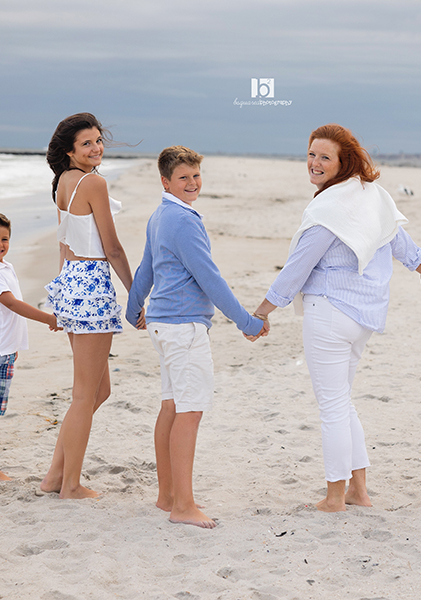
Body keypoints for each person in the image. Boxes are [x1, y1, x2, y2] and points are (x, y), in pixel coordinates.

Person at [252, 124, 421, 512]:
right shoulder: (371, 194)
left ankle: (334, 497)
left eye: (325, 157)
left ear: (343, 162)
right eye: (311, 154)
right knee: (342, 402)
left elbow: (297, 268)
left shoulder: (329, 209)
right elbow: (398, 239)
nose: (315, 163)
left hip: (330, 313)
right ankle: (358, 490)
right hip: (362, 317)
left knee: (332, 407)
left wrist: (262, 311)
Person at [126, 146, 267, 528]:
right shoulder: (184, 221)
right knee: (189, 411)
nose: (192, 183)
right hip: (183, 327)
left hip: (163, 324)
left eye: (196, 176)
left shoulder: (161, 215)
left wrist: (134, 308)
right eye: (183, 178)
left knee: (172, 407)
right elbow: (209, 278)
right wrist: (246, 322)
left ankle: (168, 495)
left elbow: (146, 269)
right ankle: (183, 506)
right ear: (165, 181)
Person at [41, 113, 143, 499]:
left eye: (98, 140)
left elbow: (63, 244)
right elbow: (112, 248)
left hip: (71, 282)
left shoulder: (63, 183)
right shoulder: (93, 183)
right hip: (92, 286)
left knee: (98, 391)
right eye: (86, 143)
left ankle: (54, 477)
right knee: (85, 395)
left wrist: (61, 294)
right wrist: (135, 295)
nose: (96, 148)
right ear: (69, 150)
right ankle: (70, 485)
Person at [0, 211, 60, 482]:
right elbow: (11, 304)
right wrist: (49, 319)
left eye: (4, 239)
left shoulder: (2, 267)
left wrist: (14, 344)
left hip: (0, 349)